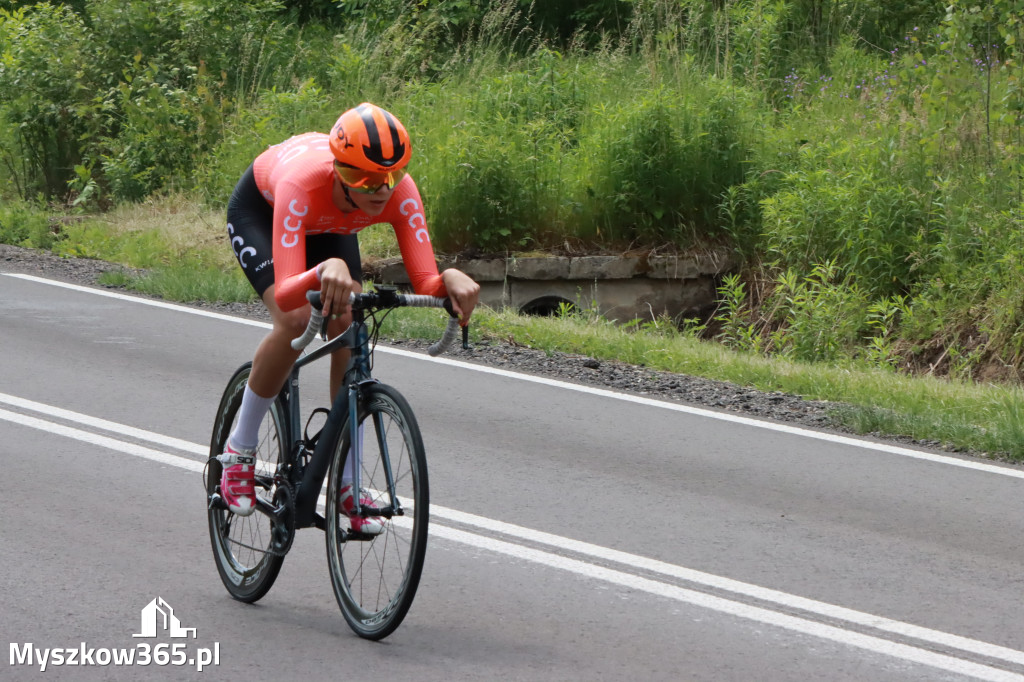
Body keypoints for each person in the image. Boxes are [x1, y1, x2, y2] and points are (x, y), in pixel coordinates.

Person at [219, 102, 480, 529]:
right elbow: (287, 292)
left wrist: (449, 279)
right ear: (341, 170)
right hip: (266, 214)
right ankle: (238, 451)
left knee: (349, 320)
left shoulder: (399, 191)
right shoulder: (303, 184)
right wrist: (322, 270)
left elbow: (425, 278)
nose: (381, 190)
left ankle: (346, 481)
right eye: (367, 179)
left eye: (390, 177)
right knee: (296, 320)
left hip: (333, 224)